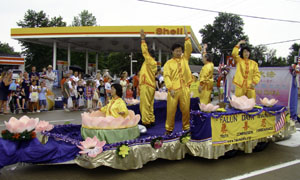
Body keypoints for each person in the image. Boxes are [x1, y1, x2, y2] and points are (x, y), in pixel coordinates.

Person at [163, 26, 195, 134]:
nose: (179, 53)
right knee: (171, 111)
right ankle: (168, 129)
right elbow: (166, 76)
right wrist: (170, 88)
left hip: (185, 88)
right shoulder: (168, 63)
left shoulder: (184, 58)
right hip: (173, 90)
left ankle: (186, 127)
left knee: (186, 110)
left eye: (180, 51)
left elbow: (189, 49)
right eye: (176, 51)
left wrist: (187, 37)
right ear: (172, 52)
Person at [139, 29, 160, 127]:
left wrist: (143, 40)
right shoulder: (153, 63)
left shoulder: (149, 61)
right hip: (151, 85)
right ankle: (151, 119)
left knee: (144, 104)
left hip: (146, 84)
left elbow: (144, 51)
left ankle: (146, 122)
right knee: (150, 104)